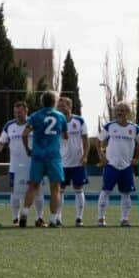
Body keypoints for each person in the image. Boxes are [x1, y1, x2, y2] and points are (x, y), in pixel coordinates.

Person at [24, 92, 68, 227]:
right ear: (54, 102)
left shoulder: (35, 116)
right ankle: (54, 219)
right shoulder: (60, 116)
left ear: (42, 102)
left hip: (38, 155)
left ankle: (23, 215)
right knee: (55, 188)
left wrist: (28, 149)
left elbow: (24, 134)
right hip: (53, 156)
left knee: (32, 186)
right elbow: (65, 136)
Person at [96, 102, 139, 226]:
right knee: (106, 191)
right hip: (111, 165)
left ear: (128, 112)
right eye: (118, 110)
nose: (120, 112)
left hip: (126, 166)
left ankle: (124, 219)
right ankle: (101, 218)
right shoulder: (110, 126)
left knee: (126, 193)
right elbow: (98, 142)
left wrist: (137, 158)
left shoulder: (134, 128)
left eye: (123, 110)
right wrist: (102, 157)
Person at [0, 101, 34, 225]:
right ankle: (15, 218)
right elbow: (1, 141)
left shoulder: (33, 123)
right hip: (15, 166)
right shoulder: (9, 125)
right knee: (14, 191)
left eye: (20, 112)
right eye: (16, 112)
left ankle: (39, 217)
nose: (18, 114)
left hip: (32, 164)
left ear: (26, 110)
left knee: (36, 190)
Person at [60, 95, 90, 228]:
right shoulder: (55, 121)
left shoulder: (79, 120)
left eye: (63, 106)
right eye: (58, 106)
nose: (60, 108)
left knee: (78, 188)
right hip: (61, 162)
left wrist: (85, 156)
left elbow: (85, 139)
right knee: (60, 190)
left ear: (69, 107)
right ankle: (58, 218)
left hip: (77, 162)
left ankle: (79, 218)